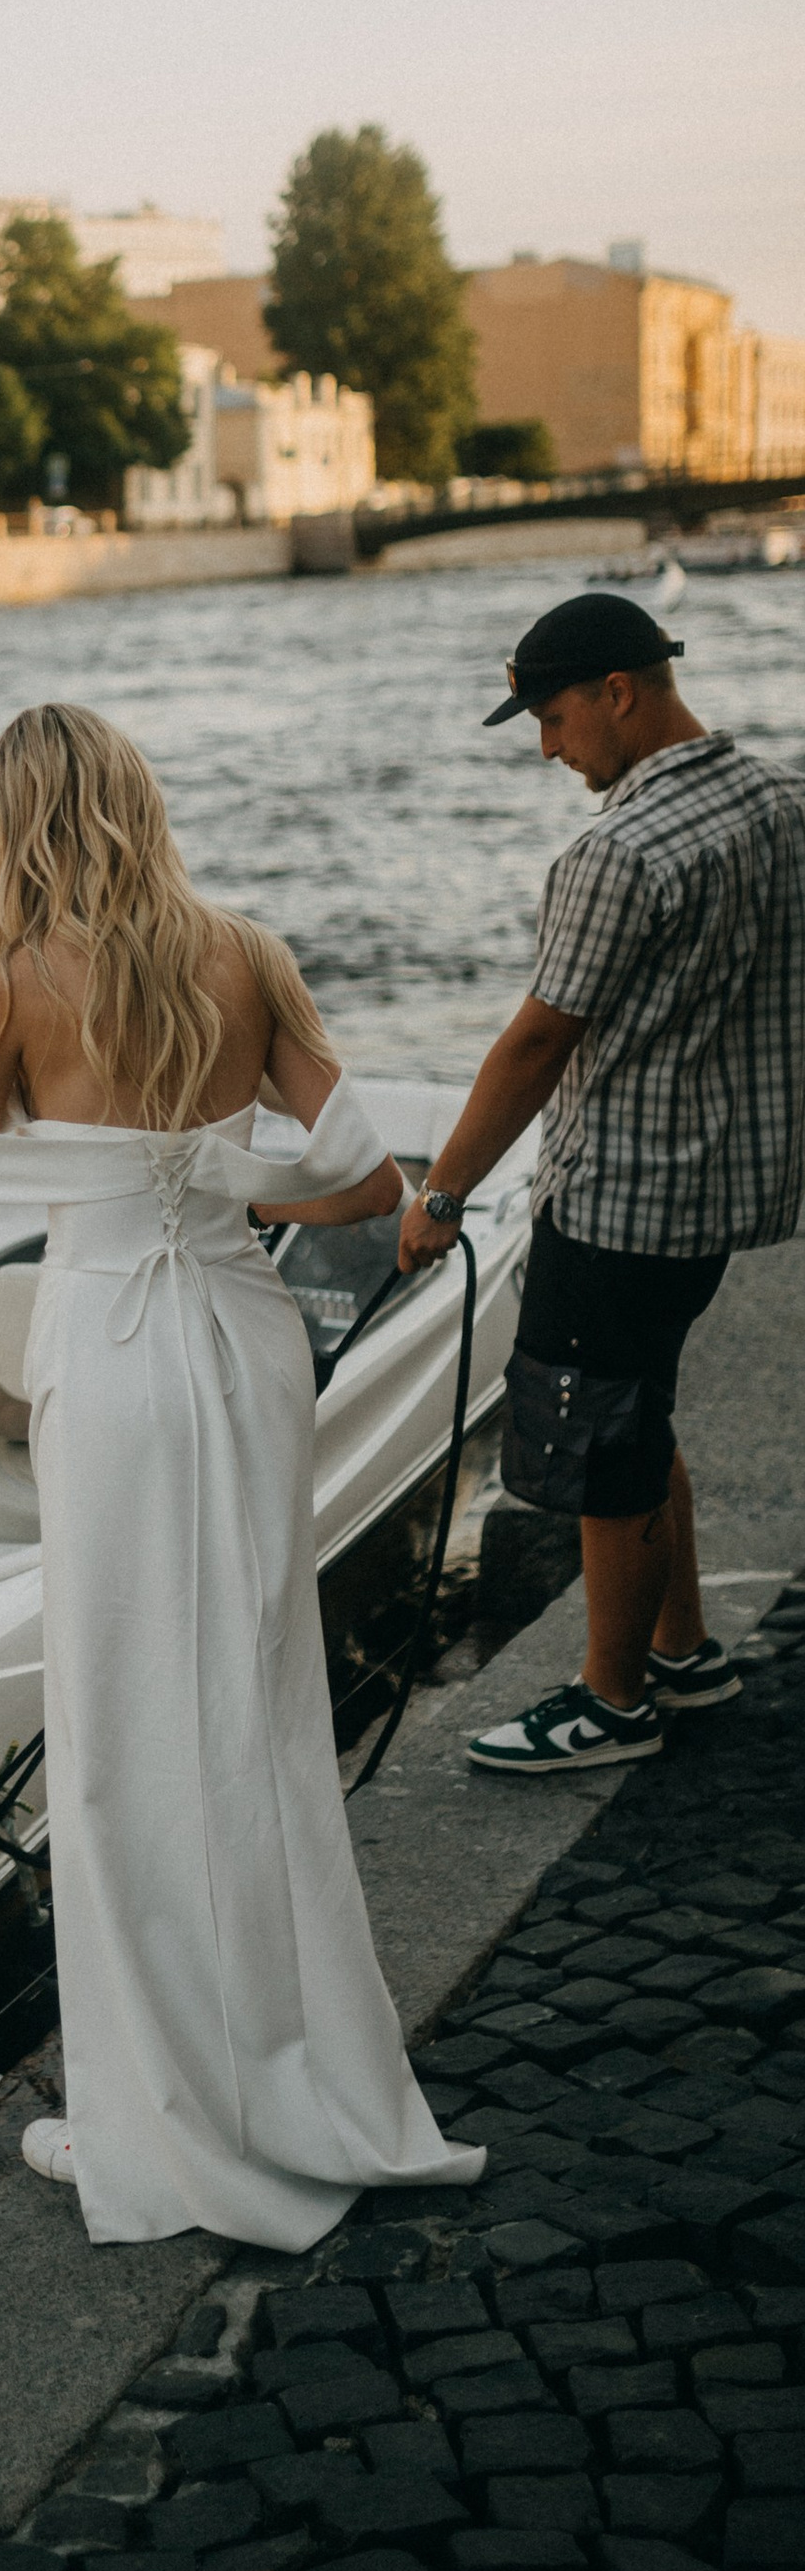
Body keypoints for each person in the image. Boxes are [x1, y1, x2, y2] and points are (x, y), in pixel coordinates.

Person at [0, 703, 484, 2250]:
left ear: (13, 823)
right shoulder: (249, 952)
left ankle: (157, 2108)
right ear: (139, 802)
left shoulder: (15, 981)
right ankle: (300, 2073)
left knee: (121, 1725)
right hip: (241, 1336)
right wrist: (203, 1178)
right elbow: (364, 1181)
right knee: (259, 1707)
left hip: (116, 1360)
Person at [402, 593, 804, 1778]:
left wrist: (440, 1198)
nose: (546, 746)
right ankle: (680, 1647)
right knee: (643, 1406)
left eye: (553, 716)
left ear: (620, 691)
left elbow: (534, 1047)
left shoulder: (617, 853)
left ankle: (610, 1700)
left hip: (619, 1198)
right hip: (719, 1192)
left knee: (597, 1445)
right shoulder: (781, 802)